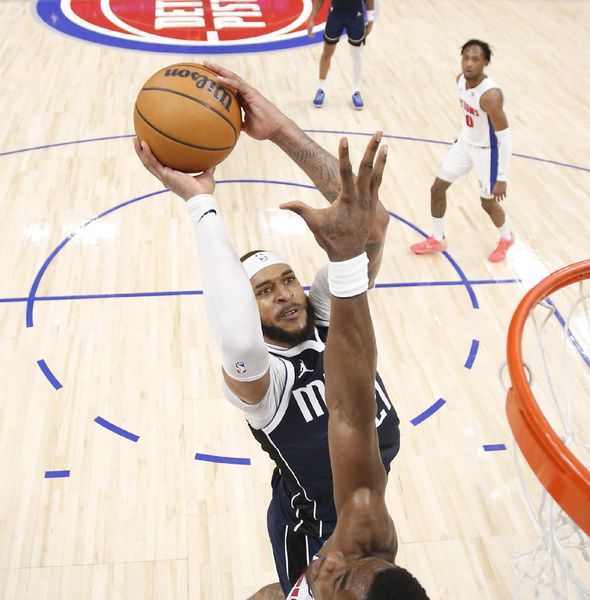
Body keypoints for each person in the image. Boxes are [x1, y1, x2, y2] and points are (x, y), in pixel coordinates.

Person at [133, 63, 401, 598]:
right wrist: (200, 203)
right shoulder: (267, 384)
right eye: (262, 290)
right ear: (249, 308)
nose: (282, 294)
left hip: (351, 513)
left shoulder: (324, 317)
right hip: (313, 529)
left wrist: (281, 131)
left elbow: (366, 226)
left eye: (288, 281)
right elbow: (238, 342)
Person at [278, 132, 429, 600]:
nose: (334, 558)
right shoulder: (364, 524)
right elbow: (349, 412)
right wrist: (345, 259)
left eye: (339, 578)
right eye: (351, 566)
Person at [410, 39, 514, 263]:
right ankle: (438, 238)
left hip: (487, 152)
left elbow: (505, 137)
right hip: (465, 145)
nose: (468, 64)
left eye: (475, 59)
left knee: (487, 203)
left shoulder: (491, 96)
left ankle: (506, 238)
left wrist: (502, 178)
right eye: (465, 58)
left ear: (485, 62)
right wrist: (463, 135)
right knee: (437, 188)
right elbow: (472, 117)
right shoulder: (460, 81)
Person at [306, 0, 375, 110]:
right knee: (327, 53)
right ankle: (321, 88)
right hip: (336, 14)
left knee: (356, 55)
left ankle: (356, 91)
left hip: (356, 16)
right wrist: (312, 18)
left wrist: (371, 20)